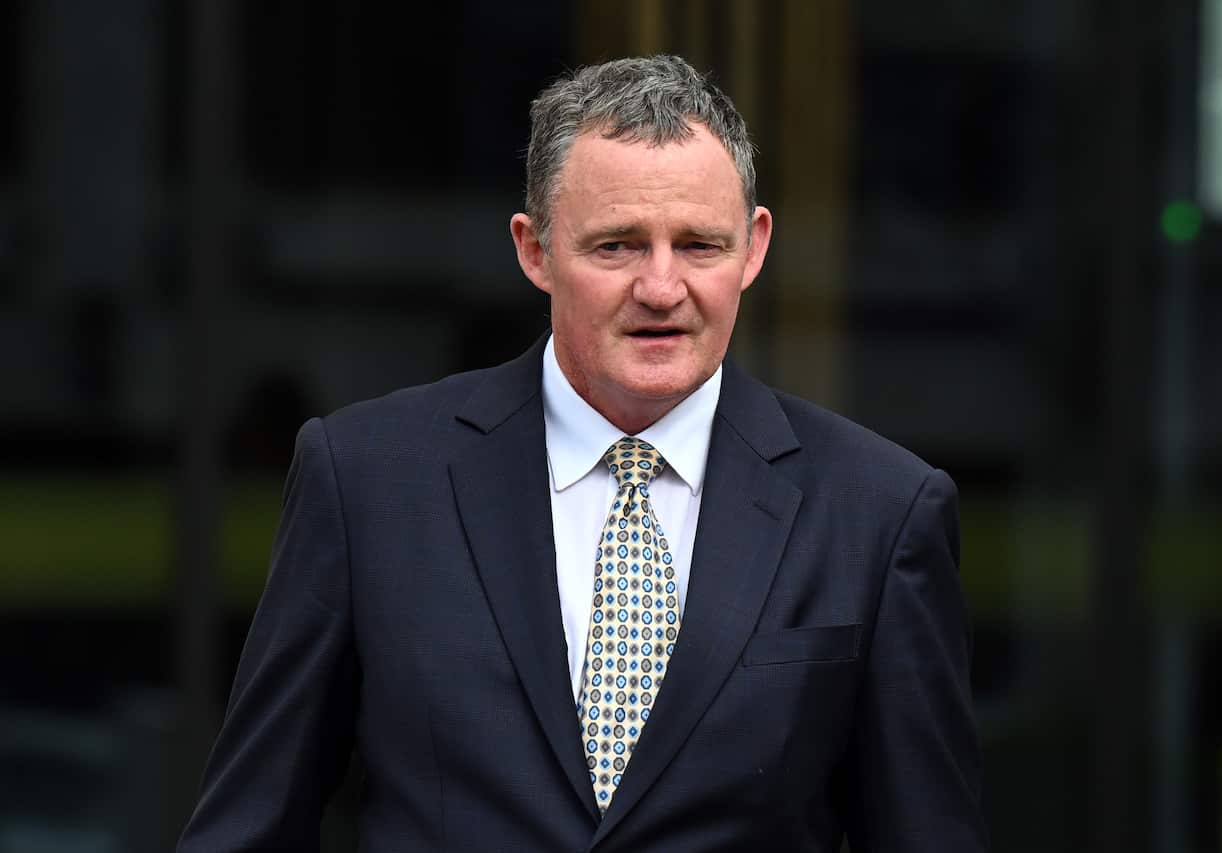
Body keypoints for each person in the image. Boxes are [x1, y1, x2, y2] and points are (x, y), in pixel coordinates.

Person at [178, 54, 988, 852]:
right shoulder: (367, 480)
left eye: (699, 245)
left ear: (754, 247)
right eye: (618, 246)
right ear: (534, 249)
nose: (661, 287)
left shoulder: (880, 512)